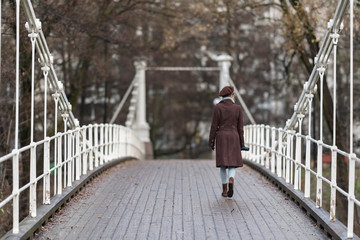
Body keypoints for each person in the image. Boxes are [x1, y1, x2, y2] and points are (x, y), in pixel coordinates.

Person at [208, 86, 249, 198]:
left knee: (222, 165)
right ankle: (231, 180)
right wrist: (242, 144)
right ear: (231, 95)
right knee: (232, 164)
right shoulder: (237, 108)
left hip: (221, 137)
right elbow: (240, 128)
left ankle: (225, 190)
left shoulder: (218, 107)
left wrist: (211, 142)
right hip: (234, 137)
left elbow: (214, 126)